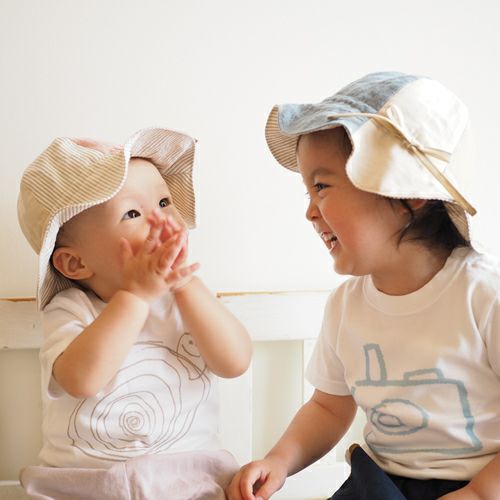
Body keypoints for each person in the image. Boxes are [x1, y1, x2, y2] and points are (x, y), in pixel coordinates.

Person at [227, 72, 500, 500]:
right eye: (307, 193)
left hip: (481, 481)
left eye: (321, 186)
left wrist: (483, 491)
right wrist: (278, 461)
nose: (310, 212)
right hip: (381, 484)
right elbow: (328, 407)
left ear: (408, 191)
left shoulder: (483, 295)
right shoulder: (347, 306)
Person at [17, 128, 252, 500]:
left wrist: (184, 285)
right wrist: (135, 296)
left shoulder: (189, 300)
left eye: (164, 202)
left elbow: (235, 361)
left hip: (191, 481)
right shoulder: (71, 310)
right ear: (75, 263)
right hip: (89, 485)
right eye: (132, 213)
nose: (162, 220)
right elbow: (81, 380)